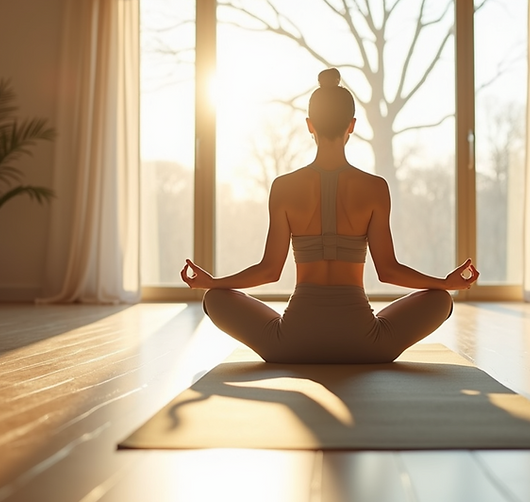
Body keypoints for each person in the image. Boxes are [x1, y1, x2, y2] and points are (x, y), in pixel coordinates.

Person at [181, 68, 479, 364]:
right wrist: (445, 283)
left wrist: (213, 283)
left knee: (215, 299)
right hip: (366, 344)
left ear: (310, 125)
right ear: (352, 125)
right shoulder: (375, 188)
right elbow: (388, 271)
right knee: (440, 301)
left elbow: (269, 270)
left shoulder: (284, 188)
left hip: (290, 343)